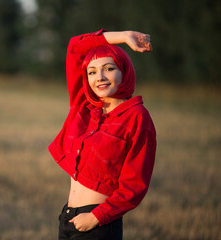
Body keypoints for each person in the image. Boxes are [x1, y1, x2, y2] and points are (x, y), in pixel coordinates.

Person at [48, 29, 156, 240]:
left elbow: (135, 185)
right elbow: (75, 47)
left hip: (99, 224)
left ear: (124, 71)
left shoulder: (137, 117)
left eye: (109, 68)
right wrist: (124, 36)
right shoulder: (84, 106)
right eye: (92, 71)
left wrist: (96, 217)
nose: (100, 77)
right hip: (68, 218)